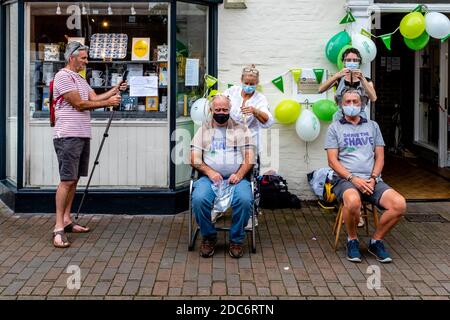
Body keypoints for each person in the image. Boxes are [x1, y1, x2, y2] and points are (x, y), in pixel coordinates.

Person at [52, 41, 126, 248]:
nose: (86, 61)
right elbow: (80, 104)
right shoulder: (63, 76)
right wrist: (107, 103)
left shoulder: (80, 79)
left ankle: (67, 220)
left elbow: (94, 97)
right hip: (67, 135)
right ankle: (58, 227)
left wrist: (114, 90)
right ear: (71, 57)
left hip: (82, 135)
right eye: (83, 58)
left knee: (74, 180)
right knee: (66, 180)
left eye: (86, 57)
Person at [324, 88, 406, 263]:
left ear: (362, 104)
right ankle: (352, 240)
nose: (352, 105)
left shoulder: (372, 126)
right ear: (341, 104)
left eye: (355, 102)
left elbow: (380, 156)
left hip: (372, 179)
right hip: (345, 179)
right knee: (353, 202)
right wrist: (353, 179)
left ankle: (376, 241)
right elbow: (332, 161)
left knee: (399, 204)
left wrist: (374, 177)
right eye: (347, 102)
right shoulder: (334, 128)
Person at [190, 95, 255, 259]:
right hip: (210, 178)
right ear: (212, 110)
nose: (221, 113)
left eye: (225, 110)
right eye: (217, 109)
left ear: (229, 110)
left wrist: (240, 174)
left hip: (236, 178)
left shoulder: (241, 129)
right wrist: (210, 172)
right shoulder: (203, 130)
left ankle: (236, 240)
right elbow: (194, 159)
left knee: (245, 200)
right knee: (198, 199)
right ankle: (209, 237)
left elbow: (250, 158)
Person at [223, 64, 274, 152]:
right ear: (241, 80)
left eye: (252, 84)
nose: (248, 86)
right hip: (231, 142)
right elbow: (219, 101)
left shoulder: (260, 99)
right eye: (246, 83)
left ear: (257, 83)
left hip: (251, 144)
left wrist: (255, 111)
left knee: (250, 164)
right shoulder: (232, 91)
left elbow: (268, 121)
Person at [319, 48, 377, 120]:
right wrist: (336, 75)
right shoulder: (339, 79)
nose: (352, 62)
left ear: (359, 62)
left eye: (355, 60)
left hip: (359, 119)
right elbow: (320, 89)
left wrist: (362, 78)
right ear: (344, 62)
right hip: (340, 118)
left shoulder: (366, 80)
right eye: (348, 60)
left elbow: (373, 98)